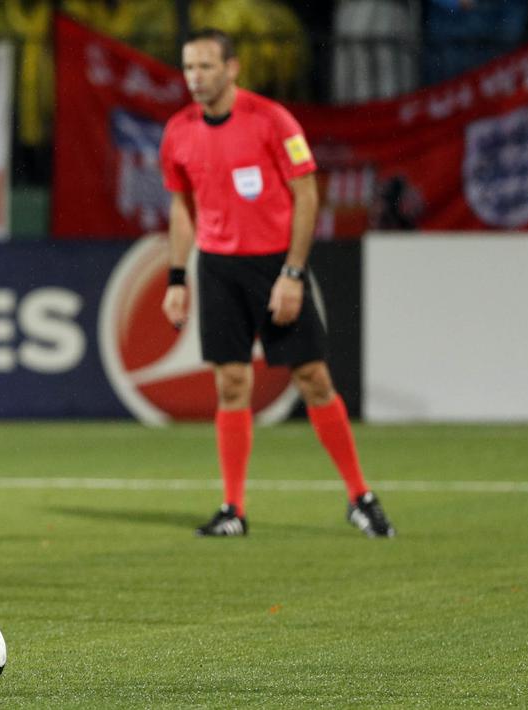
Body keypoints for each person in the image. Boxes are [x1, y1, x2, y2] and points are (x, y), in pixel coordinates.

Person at [158, 29, 395, 538]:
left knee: (313, 377)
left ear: (232, 68)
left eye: (205, 66)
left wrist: (292, 272)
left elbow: (306, 195)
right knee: (231, 383)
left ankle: (360, 496)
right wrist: (177, 277)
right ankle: (233, 510)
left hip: (273, 265)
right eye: (188, 67)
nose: (195, 77)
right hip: (217, 268)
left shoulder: (271, 120)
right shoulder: (178, 131)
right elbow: (181, 206)